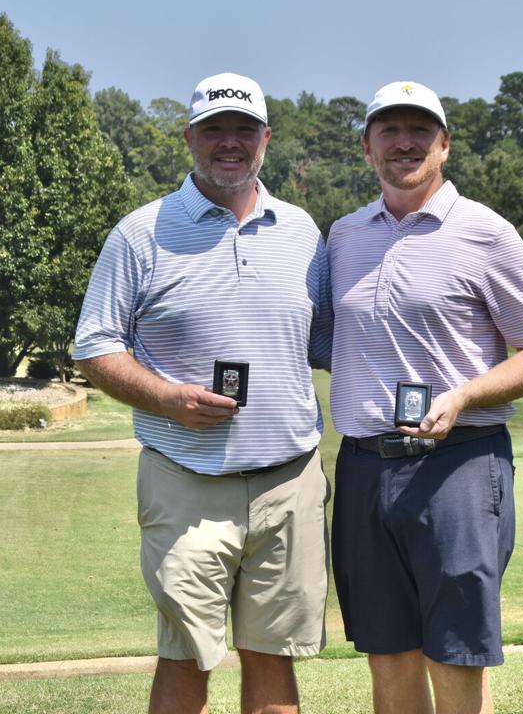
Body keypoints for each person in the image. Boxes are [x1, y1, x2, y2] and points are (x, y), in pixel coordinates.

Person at [73, 72, 332, 714]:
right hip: (186, 478)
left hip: (289, 481)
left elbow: (324, 345)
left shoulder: (303, 233)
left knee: (276, 655)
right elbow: (93, 346)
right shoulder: (140, 232)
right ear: (189, 138)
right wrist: (168, 399)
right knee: (186, 654)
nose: (229, 143)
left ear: (266, 139)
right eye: (213, 130)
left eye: (243, 130)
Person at [327, 81, 523, 714]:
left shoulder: (485, 232)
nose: (404, 143)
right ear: (366, 147)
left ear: (445, 145)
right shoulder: (345, 236)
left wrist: (463, 395)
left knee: (456, 658)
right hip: (364, 465)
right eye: (389, 130)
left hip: (458, 465)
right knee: (389, 659)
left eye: (420, 131)